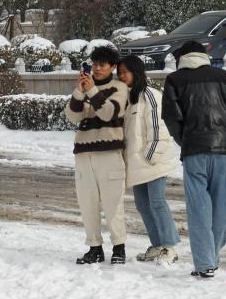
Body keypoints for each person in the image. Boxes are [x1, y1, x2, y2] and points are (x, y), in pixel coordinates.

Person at [162, 41, 226, 278]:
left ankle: (205, 263)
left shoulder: (175, 80)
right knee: (222, 207)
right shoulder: (224, 76)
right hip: (223, 150)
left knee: (199, 209)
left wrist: (184, 140)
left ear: (183, 58)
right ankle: (212, 257)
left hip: (194, 152)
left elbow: (171, 116)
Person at [64, 46, 128, 265]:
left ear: (112, 67)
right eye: (95, 64)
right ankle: (94, 247)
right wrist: (80, 91)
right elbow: (72, 116)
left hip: (109, 153)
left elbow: (110, 112)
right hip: (83, 153)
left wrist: (92, 91)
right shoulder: (85, 87)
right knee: (87, 203)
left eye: (102, 65)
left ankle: (119, 247)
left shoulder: (119, 87)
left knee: (113, 203)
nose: (97, 68)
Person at [117, 56, 180, 267]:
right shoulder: (129, 99)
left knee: (157, 202)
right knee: (143, 205)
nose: (122, 75)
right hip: (137, 164)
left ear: (136, 71)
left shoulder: (150, 95)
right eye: (120, 72)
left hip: (153, 161)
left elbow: (158, 128)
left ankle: (169, 247)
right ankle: (156, 245)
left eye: (125, 71)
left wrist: (151, 155)